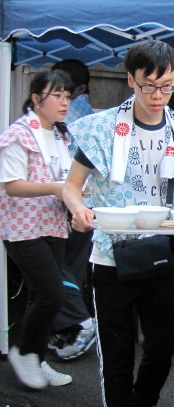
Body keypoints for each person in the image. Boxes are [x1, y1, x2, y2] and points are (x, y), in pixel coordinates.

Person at [62, 40, 174, 407]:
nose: (158, 96)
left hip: (160, 250)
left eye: (166, 87)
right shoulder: (102, 128)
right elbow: (72, 187)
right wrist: (79, 211)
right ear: (130, 80)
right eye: (149, 86)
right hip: (111, 254)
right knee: (116, 352)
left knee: (164, 345)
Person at [0, 71, 75, 389]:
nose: (64, 102)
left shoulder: (61, 135)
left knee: (38, 294)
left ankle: (38, 358)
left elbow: (69, 177)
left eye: (67, 96)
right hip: (22, 227)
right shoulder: (18, 135)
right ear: (36, 99)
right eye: (56, 95)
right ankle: (22, 351)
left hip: (53, 223)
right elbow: (12, 186)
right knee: (51, 294)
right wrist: (57, 188)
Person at [50, 58, 97, 361]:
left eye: (64, 89)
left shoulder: (71, 117)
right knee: (72, 266)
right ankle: (68, 327)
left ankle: (79, 322)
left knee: (56, 266)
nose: (61, 97)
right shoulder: (87, 115)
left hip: (70, 203)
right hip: (87, 203)